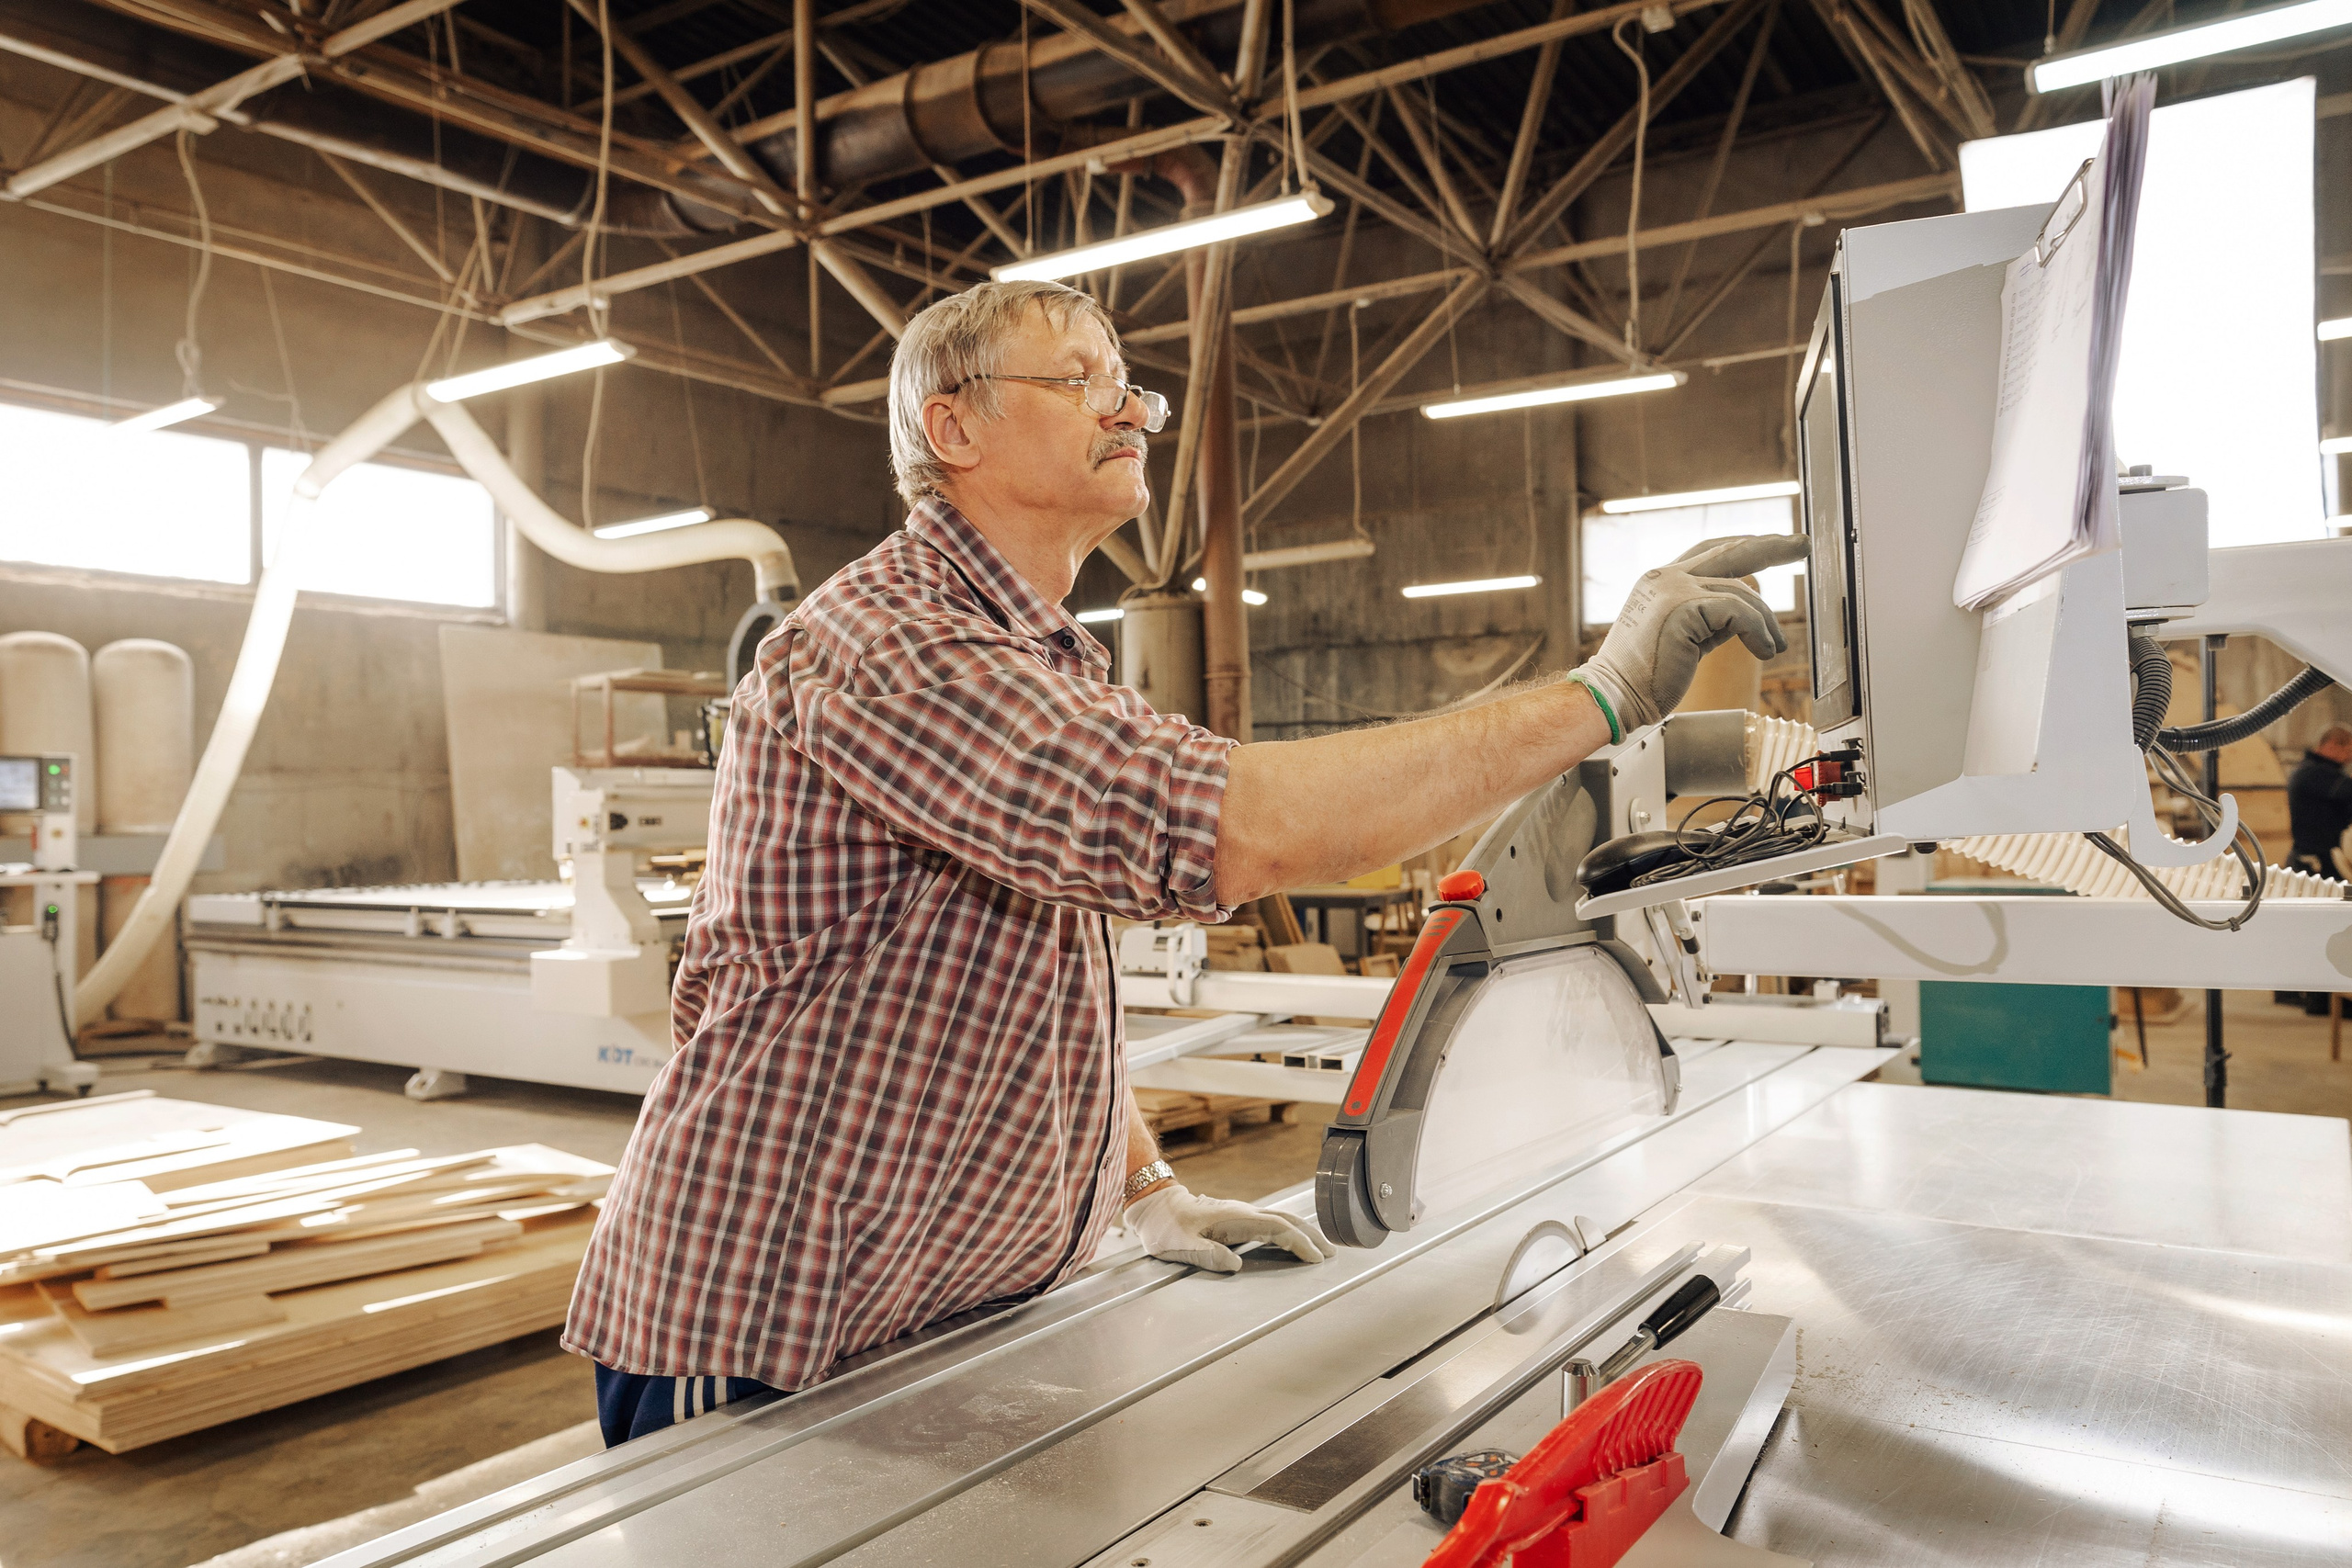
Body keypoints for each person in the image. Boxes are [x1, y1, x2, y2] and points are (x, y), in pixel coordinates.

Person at [564, 278, 1804, 1445]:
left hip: (915, 1315)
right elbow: (1233, 824)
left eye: (1131, 386)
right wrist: (1601, 692)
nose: (1127, 406)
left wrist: (1143, 1180)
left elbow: (1035, 972)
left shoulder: (1048, 658)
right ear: (953, 426)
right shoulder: (893, 644)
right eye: (1080, 380)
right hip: (765, 1326)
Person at [2288, 725, 2352, 878]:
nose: (2350, 758)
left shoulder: (2316, 772)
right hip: (2315, 866)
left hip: (2323, 861)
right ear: (2332, 744)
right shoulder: (2313, 773)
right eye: (2349, 751)